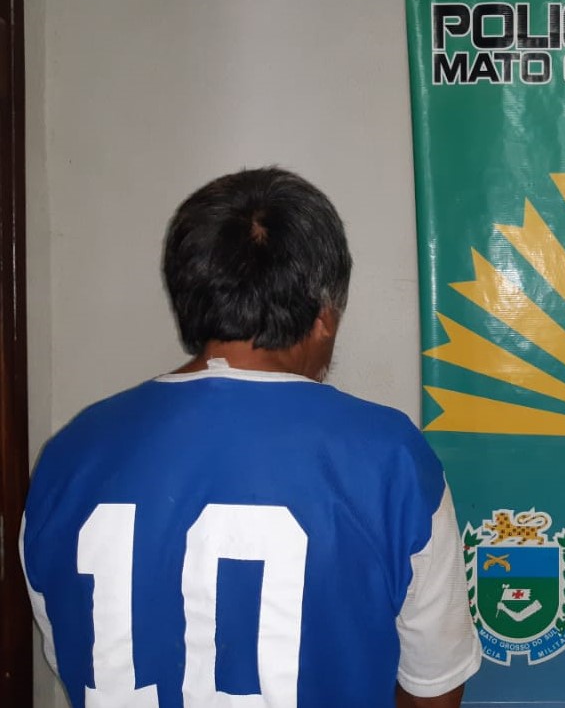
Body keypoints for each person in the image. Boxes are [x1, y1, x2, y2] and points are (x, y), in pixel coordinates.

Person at [20, 167, 481, 707]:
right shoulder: (390, 458)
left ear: (188, 298)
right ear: (325, 314)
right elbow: (434, 685)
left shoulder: (69, 455)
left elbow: (70, 647)